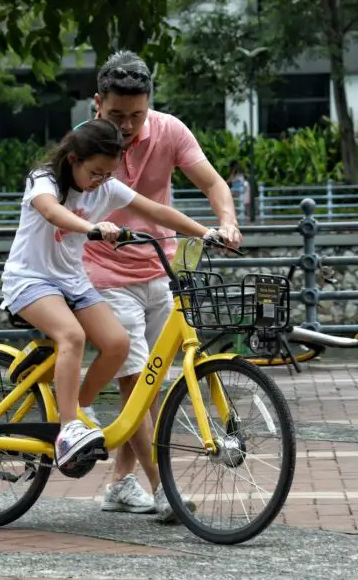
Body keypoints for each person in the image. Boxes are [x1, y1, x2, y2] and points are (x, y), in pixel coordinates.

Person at [79, 50, 243, 522]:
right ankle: (162, 488)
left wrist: (226, 222)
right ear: (97, 104)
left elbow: (213, 182)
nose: (127, 126)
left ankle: (118, 485)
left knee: (149, 389)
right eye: (116, 115)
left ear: (149, 105)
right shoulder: (87, 142)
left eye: (137, 115)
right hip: (103, 275)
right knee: (136, 383)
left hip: (160, 271)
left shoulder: (170, 131)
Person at [0, 118, 216, 473]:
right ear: (73, 159)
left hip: (71, 280)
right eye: (95, 173)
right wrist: (92, 227)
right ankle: (68, 429)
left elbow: (157, 211)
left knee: (118, 344)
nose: (100, 181)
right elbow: (52, 211)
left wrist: (207, 232)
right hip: (30, 279)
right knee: (72, 336)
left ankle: (76, 408)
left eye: (107, 174)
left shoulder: (107, 187)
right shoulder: (44, 179)